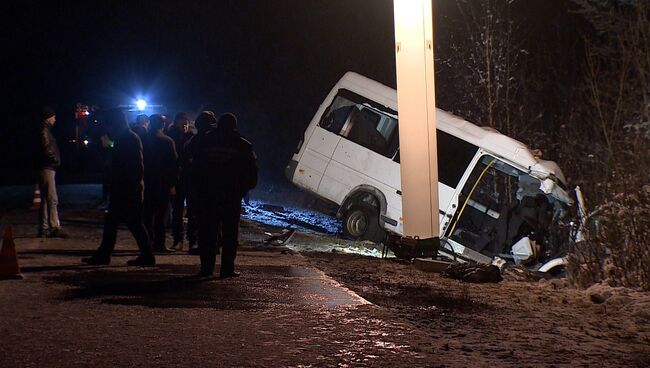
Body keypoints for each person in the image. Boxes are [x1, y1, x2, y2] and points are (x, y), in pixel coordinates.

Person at [82, 108, 155, 266]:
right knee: (124, 221)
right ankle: (143, 255)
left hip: (127, 187)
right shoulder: (125, 137)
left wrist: (132, 186)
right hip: (125, 186)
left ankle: (143, 255)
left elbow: (136, 166)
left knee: (127, 222)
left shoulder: (128, 138)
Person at [190, 112, 257, 278]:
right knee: (230, 234)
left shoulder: (205, 141)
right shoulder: (243, 145)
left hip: (208, 194)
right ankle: (227, 269)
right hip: (231, 196)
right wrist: (244, 189)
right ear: (234, 126)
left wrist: (196, 189)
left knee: (208, 233)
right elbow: (251, 171)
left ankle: (206, 268)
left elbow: (195, 167)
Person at [183, 111, 218, 255]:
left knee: (196, 215)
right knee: (214, 217)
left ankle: (196, 243)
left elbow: (186, 160)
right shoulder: (220, 139)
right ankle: (214, 244)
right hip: (215, 185)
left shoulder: (195, 140)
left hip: (198, 184)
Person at [143, 114, 178, 253]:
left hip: (147, 181)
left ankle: (147, 242)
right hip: (162, 183)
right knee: (161, 215)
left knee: (146, 214)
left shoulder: (143, 139)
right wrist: (173, 183)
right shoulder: (167, 141)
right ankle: (159, 243)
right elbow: (174, 164)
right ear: (162, 125)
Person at [37, 106, 67, 238]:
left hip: (45, 167)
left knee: (45, 199)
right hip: (47, 167)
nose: (55, 119)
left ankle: (43, 228)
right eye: (53, 117)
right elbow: (46, 148)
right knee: (52, 198)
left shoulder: (43, 129)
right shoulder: (44, 130)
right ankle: (54, 227)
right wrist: (55, 159)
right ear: (48, 117)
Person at [166, 112, 195, 250]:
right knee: (177, 211)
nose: (185, 125)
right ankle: (178, 239)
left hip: (190, 178)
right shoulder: (171, 136)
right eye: (183, 123)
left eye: (186, 123)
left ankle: (192, 239)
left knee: (192, 210)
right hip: (176, 178)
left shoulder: (192, 138)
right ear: (176, 122)